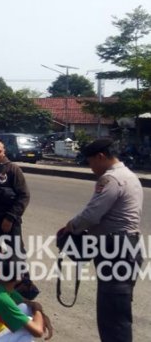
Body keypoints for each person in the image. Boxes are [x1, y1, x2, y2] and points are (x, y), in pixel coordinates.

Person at [63, 138, 143, 342]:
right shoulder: (129, 175)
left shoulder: (111, 179)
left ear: (100, 157)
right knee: (118, 310)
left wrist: (70, 226)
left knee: (112, 316)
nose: (90, 168)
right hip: (126, 248)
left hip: (116, 250)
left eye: (90, 162)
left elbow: (91, 215)